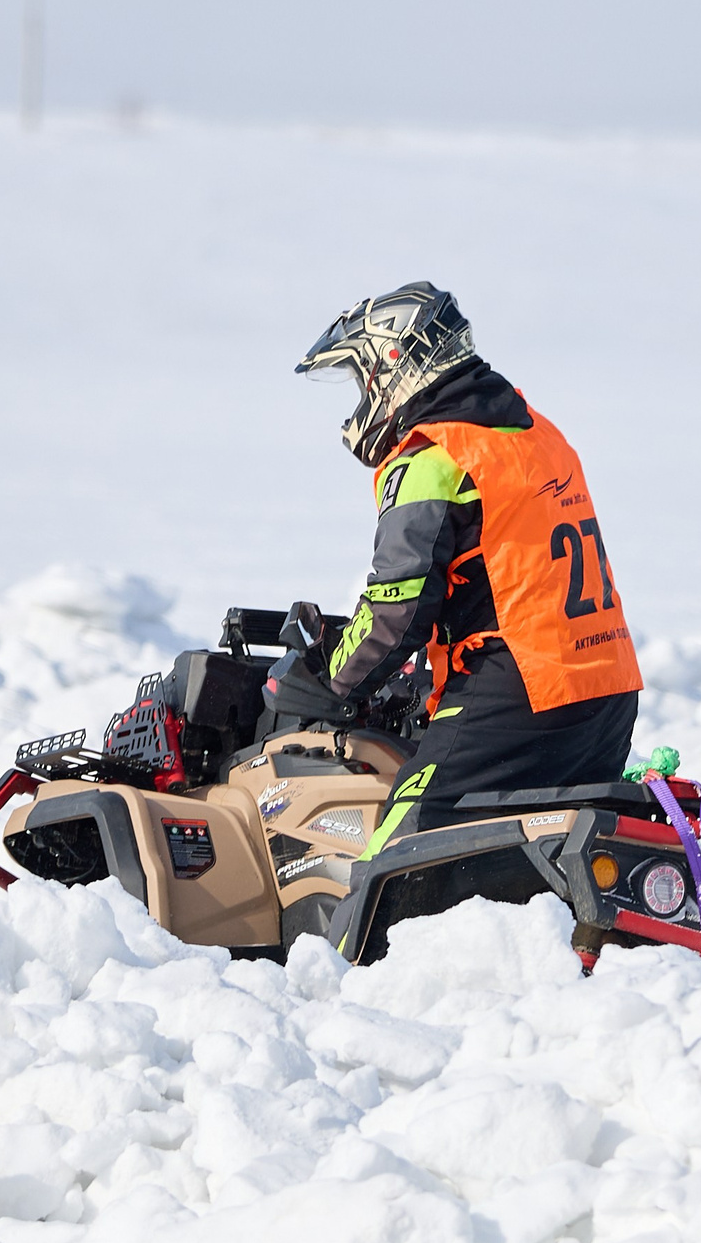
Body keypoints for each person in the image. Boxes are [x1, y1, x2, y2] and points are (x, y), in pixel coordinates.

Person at [268, 281, 640, 856]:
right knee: (532, 864)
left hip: (519, 694)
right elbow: (508, 576)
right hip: (605, 691)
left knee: (398, 858)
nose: (364, 397)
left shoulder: (433, 458)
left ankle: (342, 951)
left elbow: (398, 609)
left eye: (362, 377)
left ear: (396, 365)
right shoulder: (535, 433)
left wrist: (330, 682)